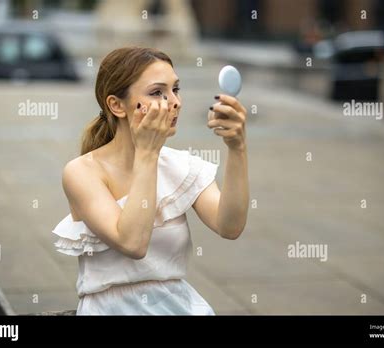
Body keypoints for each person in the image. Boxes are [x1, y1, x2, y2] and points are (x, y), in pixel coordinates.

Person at [51, 47, 249, 315]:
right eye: (158, 92)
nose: (175, 102)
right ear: (116, 105)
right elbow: (132, 243)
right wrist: (147, 154)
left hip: (178, 306)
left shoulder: (181, 164)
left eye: (175, 89)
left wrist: (237, 148)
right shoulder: (82, 172)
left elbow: (230, 226)